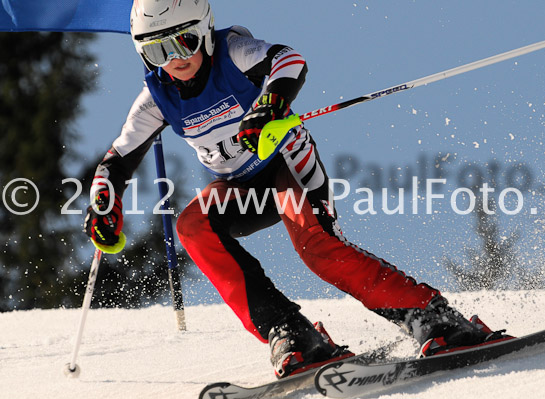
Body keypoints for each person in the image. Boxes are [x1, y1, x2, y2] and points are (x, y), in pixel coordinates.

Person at [84, 0, 507, 378]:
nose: (175, 59)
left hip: (287, 166)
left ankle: (433, 317)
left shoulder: (232, 53)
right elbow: (118, 158)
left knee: (317, 250)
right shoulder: (158, 97)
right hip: (240, 188)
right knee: (193, 226)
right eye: (158, 50)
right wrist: (103, 203)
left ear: (206, 31)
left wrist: (270, 104)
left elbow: (288, 60)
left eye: (185, 42)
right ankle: (292, 333)